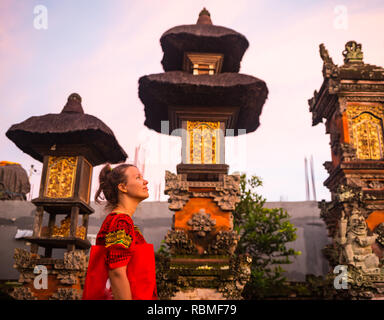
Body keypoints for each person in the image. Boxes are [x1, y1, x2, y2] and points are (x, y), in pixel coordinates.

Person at [82, 163, 157, 300]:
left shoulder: (122, 221)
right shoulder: (121, 221)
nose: (145, 181)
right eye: (138, 178)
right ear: (123, 187)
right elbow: (117, 271)